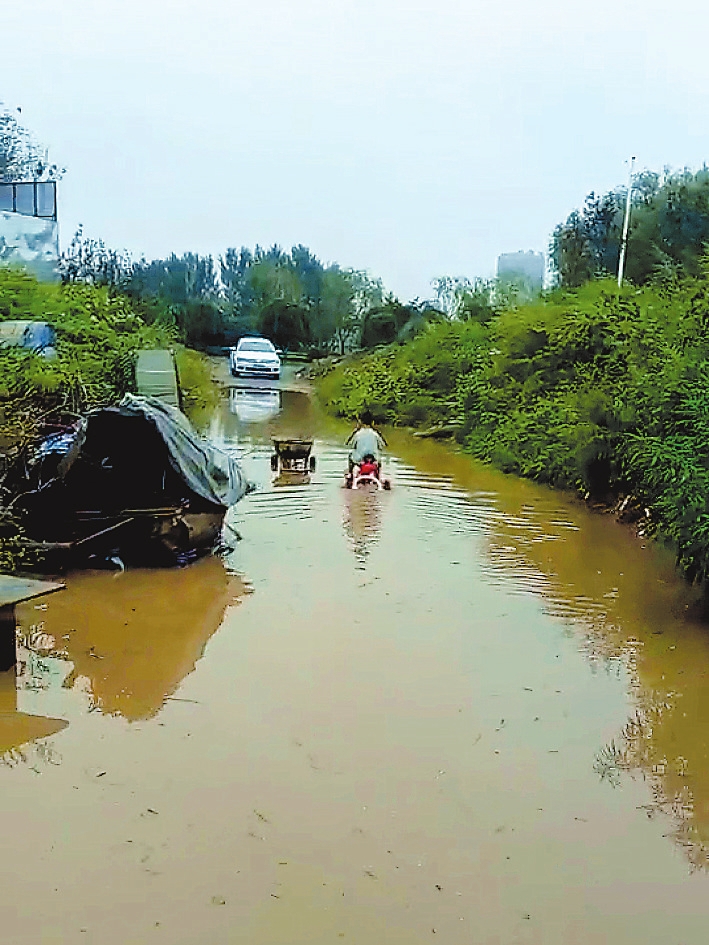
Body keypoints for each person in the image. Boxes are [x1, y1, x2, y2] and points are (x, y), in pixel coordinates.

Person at [346, 409, 387, 479]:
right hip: (373, 460)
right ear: (372, 422)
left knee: (350, 455)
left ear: (361, 422)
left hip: (359, 461)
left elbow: (352, 446)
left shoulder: (357, 434)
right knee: (379, 460)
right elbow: (382, 446)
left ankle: (350, 474)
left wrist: (356, 429)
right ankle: (378, 476)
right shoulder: (375, 434)